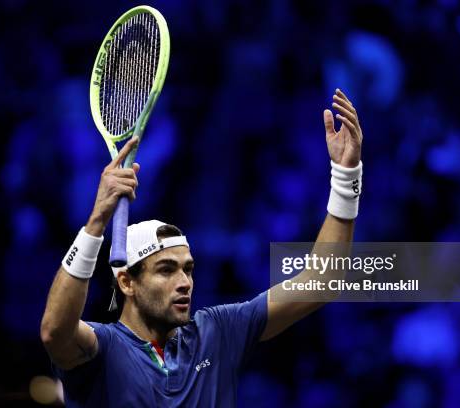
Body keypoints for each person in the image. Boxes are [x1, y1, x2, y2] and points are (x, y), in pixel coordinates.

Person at [40, 89, 364, 407]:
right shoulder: (103, 348)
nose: (184, 282)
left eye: (188, 269)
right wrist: (97, 221)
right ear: (127, 282)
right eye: (166, 269)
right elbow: (55, 332)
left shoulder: (215, 332)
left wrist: (346, 176)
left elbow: (320, 283)